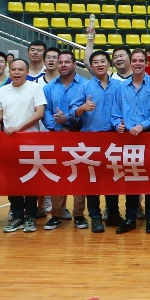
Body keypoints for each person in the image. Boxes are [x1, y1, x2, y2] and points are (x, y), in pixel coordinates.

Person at [114, 49, 150, 234]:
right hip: (128, 138)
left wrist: (142, 126)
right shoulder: (121, 87)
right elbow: (115, 113)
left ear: (146, 63)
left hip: (149, 136)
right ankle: (130, 218)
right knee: (131, 180)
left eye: (140, 61)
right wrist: (117, 124)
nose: (137, 63)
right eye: (134, 60)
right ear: (130, 63)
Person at [0, 59, 48, 233]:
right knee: (12, 181)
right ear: (9, 72)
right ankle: (17, 216)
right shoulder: (3, 90)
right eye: (13, 69)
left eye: (20, 69)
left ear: (27, 72)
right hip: (9, 142)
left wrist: (19, 128)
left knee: (30, 180)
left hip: (31, 141)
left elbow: (40, 112)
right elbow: (0, 116)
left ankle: (30, 216)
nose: (17, 72)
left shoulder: (35, 88)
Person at [75, 51, 125, 233]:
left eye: (103, 61)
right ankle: (95, 217)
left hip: (114, 139)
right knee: (93, 180)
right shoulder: (85, 87)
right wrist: (83, 107)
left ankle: (113, 214)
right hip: (92, 140)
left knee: (112, 179)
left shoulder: (120, 86)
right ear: (91, 66)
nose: (99, 64)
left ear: (109, 64)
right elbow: (73, 111)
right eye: (95, 62)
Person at [42, 50, 89, 230]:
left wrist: (68, 119)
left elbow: (86, 111)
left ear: (75, 64)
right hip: (57, 136)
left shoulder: (85, 85)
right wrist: (56, 127)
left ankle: (79, 214)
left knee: (79, 177)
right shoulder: (49, 87)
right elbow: (46, 111)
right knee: (57, 176)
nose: (63, 65)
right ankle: (56, 214)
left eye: (67, 62)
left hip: (79, 135)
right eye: (60, 62)